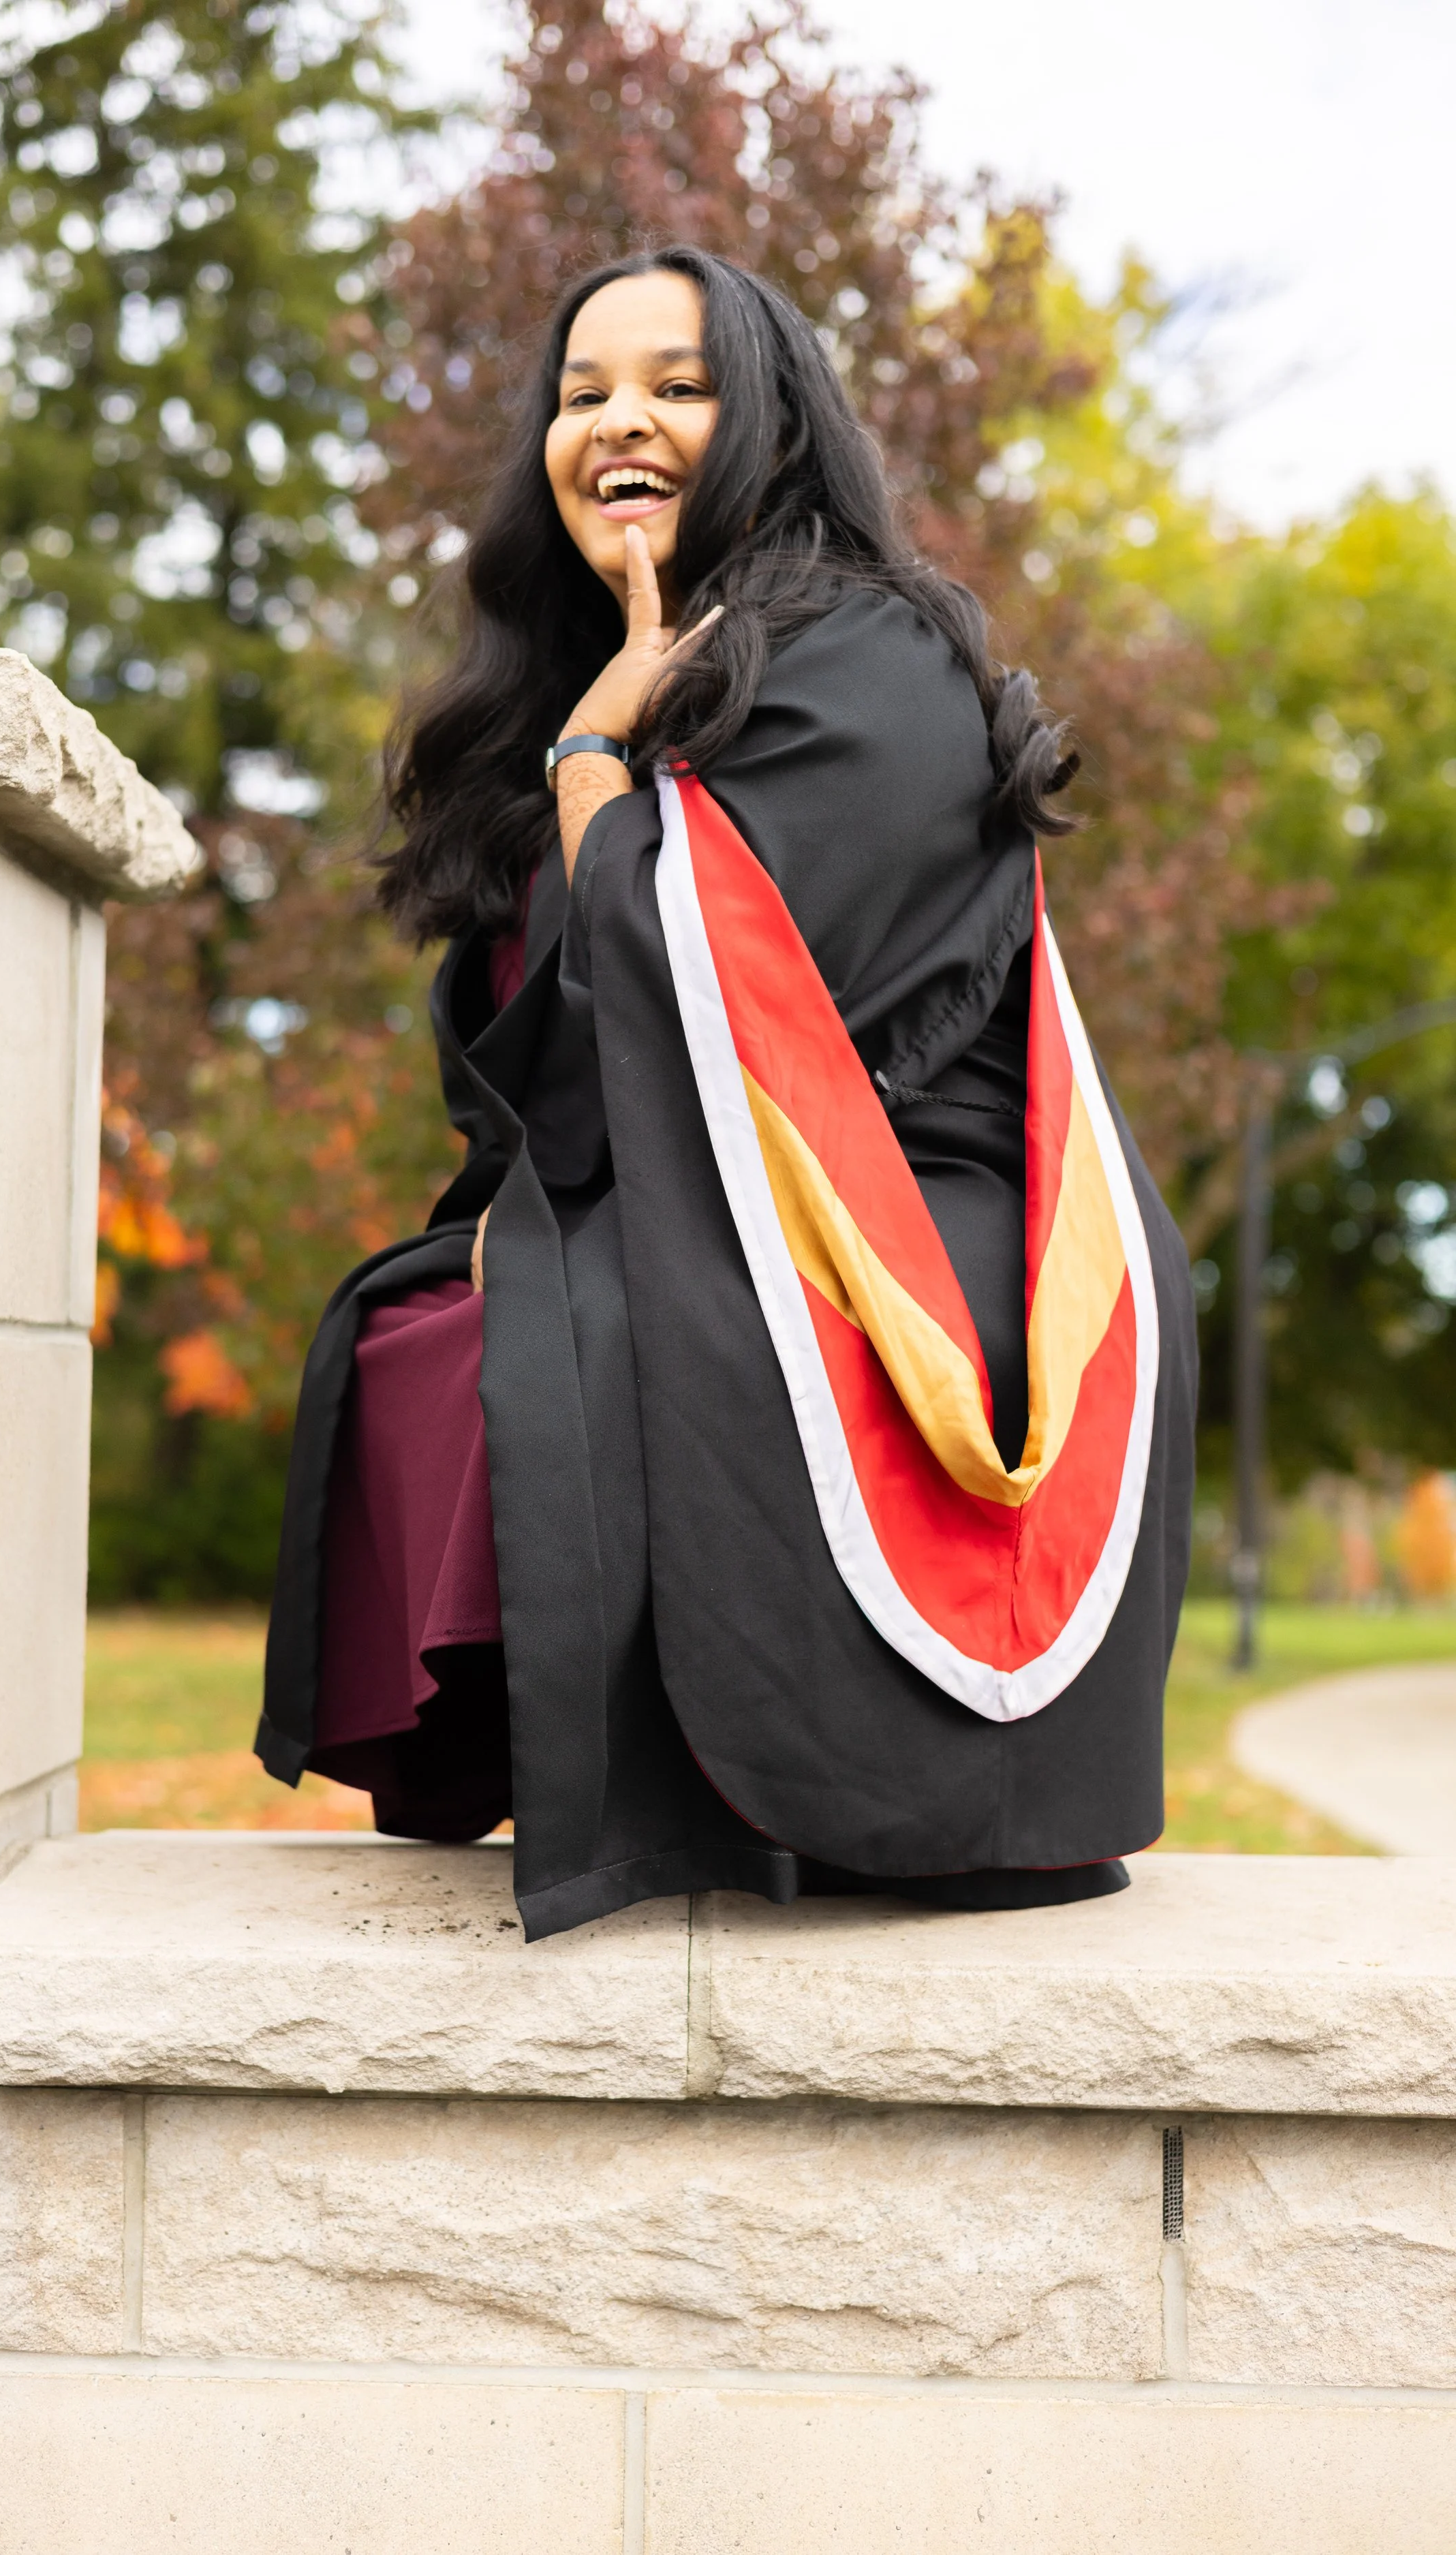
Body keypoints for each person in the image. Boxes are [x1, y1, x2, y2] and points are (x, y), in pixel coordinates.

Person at [258, 246, 1197, 1943]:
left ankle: (761, 1792)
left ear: (767, 419)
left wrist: (598, 772)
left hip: (915, 1223)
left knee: (553, 1329)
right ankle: (636, 1766)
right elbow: (544, 1062)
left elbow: (711, 1023)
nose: (617, 422)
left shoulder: (870, 663)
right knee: (416, 1318)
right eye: (580, 391)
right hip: (716, 1188)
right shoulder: (591, 680)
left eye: (676, 385)